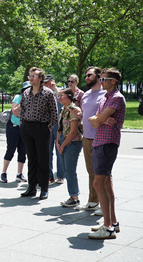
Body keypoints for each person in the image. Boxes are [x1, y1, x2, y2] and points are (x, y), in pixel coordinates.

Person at [88, 68, 126, 239]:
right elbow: (93, 120)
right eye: (100, 79)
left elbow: (97, 120)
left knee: (98, 183)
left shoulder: (116, 98)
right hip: (100, 142)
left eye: (104, 79)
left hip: (107, 144)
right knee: (106, 184)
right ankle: (113, 222)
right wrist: (99, 119)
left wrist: (98, 119)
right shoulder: (105, 97)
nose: (101, 82)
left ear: (113, 81)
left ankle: (108, 227)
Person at [20, 67, 58, 200]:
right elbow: (22, 110)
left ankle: (44, 188)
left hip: (42, 128)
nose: (31, 78)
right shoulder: (25, 93)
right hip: (27, 127)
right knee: (31, 159)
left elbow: (54, 113)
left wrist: (49, 128)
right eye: (30, 76)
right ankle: (31, 187)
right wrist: (22, 126)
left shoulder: (48, 93)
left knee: (43, 159)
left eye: (34, 76)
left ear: (41, 79)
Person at [72, 66, 106, 212]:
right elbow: (85, 114)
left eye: (90, 75)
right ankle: (93, 200)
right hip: (87, 137)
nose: (86, 78)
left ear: (99, 77)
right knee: (91, 171)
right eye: (86, 75)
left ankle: (105, 203)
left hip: (101, 138)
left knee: (103, 173)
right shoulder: (85, 95)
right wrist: (79, 114)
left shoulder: (105, 94)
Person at [56, 88, 83, 207]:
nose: (59, 98)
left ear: (69, 96)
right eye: (58, 96)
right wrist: (57, 141)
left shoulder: (74, 110)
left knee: (70, 171)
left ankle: (74, 198)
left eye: (62, 95)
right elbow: (59, 127)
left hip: (72, 142)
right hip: (62, 141)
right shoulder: (63, 109)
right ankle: (72, 196)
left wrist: (62, 145)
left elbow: (73, 132)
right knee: (66, 171)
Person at [0, 81, 30, 183]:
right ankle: (3, 172)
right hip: (13, 126)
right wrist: (24, 103)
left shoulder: (33, 99)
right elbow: (15, 111)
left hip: (25, 128)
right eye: (26, 89)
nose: (28, 91)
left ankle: (19, 174)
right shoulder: (18, 97)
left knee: (23, 151)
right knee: (11, 149)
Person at [44, 74, 65, 185]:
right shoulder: (43, 93)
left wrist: (55, 89)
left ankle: (61, 175)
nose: (46, 85)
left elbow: (64, 104)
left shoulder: (60, 93)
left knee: (59, 151)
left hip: (58, 126)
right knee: (47, 152)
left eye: (48, 82)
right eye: (45, 82)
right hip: (47, 126)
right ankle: (49, 176)